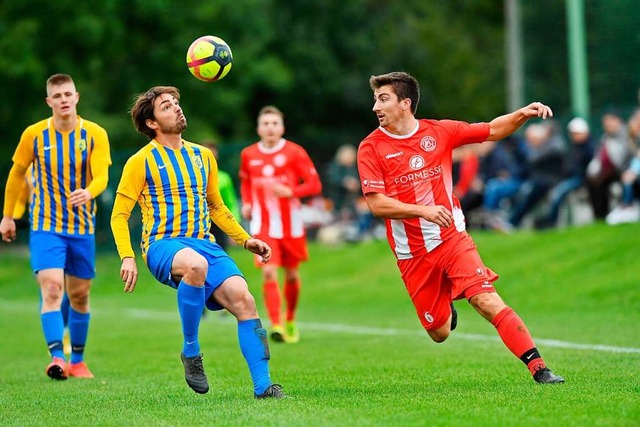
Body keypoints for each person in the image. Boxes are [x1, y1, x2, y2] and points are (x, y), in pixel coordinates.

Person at [357, 71, 564, 384]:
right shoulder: (371, 148)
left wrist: (521, 114)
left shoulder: (439, 131)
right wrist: (422, 210)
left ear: (405, 104)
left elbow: (493, 130)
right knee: (438, 332)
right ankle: (446, 304)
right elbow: (376, 204)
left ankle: (539, 368)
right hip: (411, 253)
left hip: (452, 237)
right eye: (376, 99)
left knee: (486, 300)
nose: (376, 106)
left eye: (383, 99)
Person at [110, 86, 284, 398]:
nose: (176, 108)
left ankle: (264, 388)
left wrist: (246, 240)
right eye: (166, 106)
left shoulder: (202, 155)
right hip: (162, 244)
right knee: (195, 265)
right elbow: (119, 215)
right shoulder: (140, 161)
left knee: (244, 300)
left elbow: (216, 206)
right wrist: (127, 256)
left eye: (176, 102)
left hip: (204, 243)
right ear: (152, 123)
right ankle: (191, 350)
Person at [0, 73, 111, 380]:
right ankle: (57, 357)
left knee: (80, 296)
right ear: (49, 102)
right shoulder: (34, 135)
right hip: (46, 226)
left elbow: (101, 175)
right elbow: (17, 174)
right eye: (57, 96)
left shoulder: (95, 134)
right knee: (51, 288)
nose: (63, 100)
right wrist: (8, 216)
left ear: (76, 97)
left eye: (68, 94)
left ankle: (77, 360)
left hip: (82, 228)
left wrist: (89, 192)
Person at [239, 106, 322, 343]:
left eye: (275, 123)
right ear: (259, 128)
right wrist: (247, 203)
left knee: (292, 275)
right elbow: (246, 182)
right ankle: (276, 324)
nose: (270, 128)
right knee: (268, 272)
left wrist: (291, 191)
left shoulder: (295, 152)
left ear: (282, 128)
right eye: (265, 124)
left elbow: (314, 185)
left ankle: (290, 320)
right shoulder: (249, 154)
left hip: (291, 225)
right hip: (263, 225)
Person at [535, 117, 595, 229]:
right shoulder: (574, 147)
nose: (574, 136)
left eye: (576, 133)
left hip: (580, 179)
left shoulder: (589, 147)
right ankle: (549, 219)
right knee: (556, 192)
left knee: (558, 193)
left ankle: (550, 221)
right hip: (570, 177)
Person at [200, 140, 241, 250]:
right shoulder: (191, 177)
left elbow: (230, 202)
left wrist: (233, 227)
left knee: (220, 256)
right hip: (198, 222)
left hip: (218, 223)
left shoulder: (223, 178)